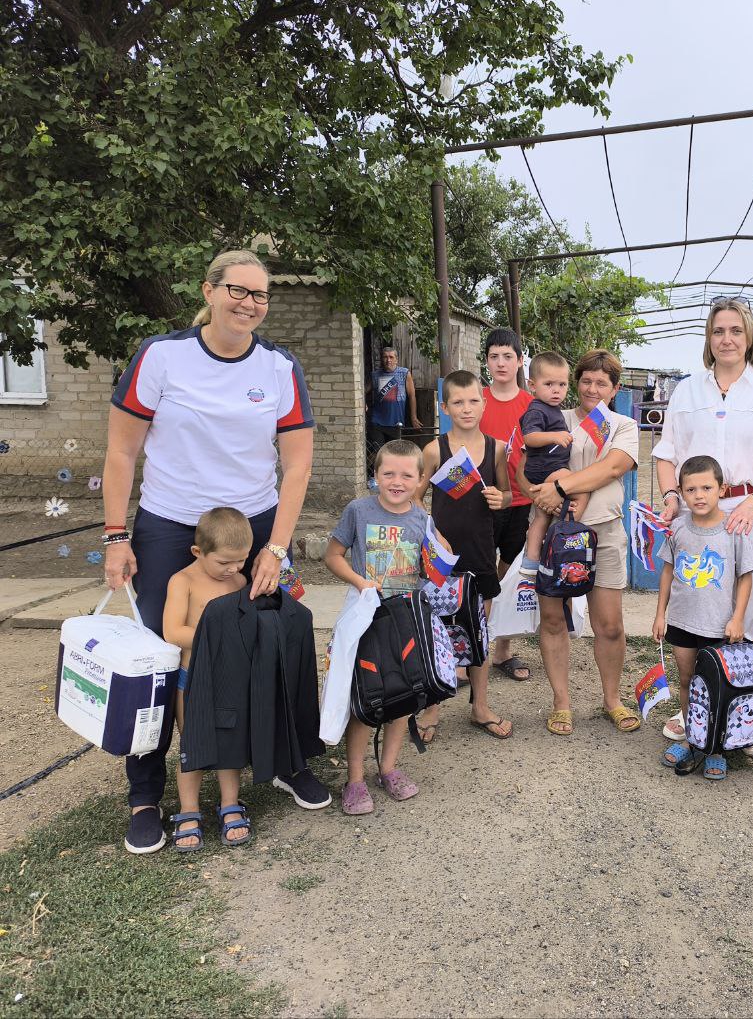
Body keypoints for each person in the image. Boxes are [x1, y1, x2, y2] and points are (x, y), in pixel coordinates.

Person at [102, 249, 327, 856]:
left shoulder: (280, 367)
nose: (248, 303)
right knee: (161, 656)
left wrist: (275, 547)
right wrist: (117, 534)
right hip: (169, 525)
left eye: (260, 295)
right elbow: (122, 452)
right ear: (209, 290)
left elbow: (298, 464)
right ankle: (146, 794)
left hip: (250, 526)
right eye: (237, 290)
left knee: (270, 645)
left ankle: (281, 761)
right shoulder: (161, 355)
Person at [652, 298, 753, 753]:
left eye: (736, 331)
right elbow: (666, 453)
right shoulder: (688, 391)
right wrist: (670, 497)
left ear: (749, 336)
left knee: (748, 612)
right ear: (708, 338)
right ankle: (693, 706)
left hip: (747, 511)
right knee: (693, 605)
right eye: (718, 331)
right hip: (696, 515)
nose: (727, 339)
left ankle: (749, 712)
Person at [524, 349, 641, 736]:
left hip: (603, 532)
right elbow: (524, 464)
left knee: (609, 624)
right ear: (576, 383)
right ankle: (561, 703)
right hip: (556, 533)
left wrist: (559, 486)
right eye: (586, 381)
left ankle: (612, 699)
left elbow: (611, 468)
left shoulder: (624, 425)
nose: (592, 388)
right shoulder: (555, 416)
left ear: (615, 388)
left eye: (602, 383)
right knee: (554, 619)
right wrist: (543, 492)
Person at [327, 439, 443, 813]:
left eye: (407, 475)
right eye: (388, 473)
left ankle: (389, 768)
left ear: (420, 479)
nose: (396, 481)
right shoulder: (358, 510)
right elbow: (333, 555)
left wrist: (439, 556)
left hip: (406, 619)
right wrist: (360, 582)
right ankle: (356, 779)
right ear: (374, 475)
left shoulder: (422, 519)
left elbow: (434, 568)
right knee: (367, 697)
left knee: (403, 694)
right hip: (366, 618)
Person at [418, 370, 514, 739]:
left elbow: (506, 494)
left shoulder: (497, 449)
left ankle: (480, 705)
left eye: (473, 400)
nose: (466, 408)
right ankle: (431, 707)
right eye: (457, 402)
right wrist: (431, 533)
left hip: (480, 555)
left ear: (484, 403)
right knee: (438, 631)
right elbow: (414, 499)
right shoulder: (434, 450)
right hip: (441, 561)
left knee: (479, 632)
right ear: (444, 407)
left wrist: (499, 498)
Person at [652, 455, 753, 780]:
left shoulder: (733, 529)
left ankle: (716, 748)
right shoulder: (678, 528)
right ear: (680, 491)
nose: (699, 495)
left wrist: (738, 618)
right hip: (681, 622)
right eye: (691, 488)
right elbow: (668, 571)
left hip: (716, 626)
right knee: (686, 683)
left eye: (707, 487)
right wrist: (660, 615)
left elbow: (746, 576)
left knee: (715, 690)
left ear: (722, 489)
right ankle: (694, 740)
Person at [161, 507, 254, 851]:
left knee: (229, 743)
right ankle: (189, 810)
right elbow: (172, 632)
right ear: (198, 552)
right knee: (193, 744)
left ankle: (230, 804)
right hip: (193, 679)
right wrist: (218, 635)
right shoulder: (182, 581)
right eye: (225, 562)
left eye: (240, 561)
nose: (233, 569)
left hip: (230, 678)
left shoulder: (239, 582)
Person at [479, 328, 534, 682]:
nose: (501, 363)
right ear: (486, 361)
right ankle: (473, 649)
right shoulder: (476, 399)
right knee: (480, 573)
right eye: (494, 356)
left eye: (507, 356)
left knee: (511, 573)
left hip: (522, 500)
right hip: (482, 500)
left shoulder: (532, 404)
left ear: (519, 361)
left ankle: (503, 651)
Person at [517, 351, 574, 575]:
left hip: (546, 467)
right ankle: (571, 525)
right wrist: (555, 436)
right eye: (549, 383)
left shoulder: (550, 408)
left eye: (562, 384)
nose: (556, 390)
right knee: (579, 485)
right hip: (546, 467)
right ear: (532, 385)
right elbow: (529, 438)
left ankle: (530, 562)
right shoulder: (537, 409)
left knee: (541, 516)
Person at [366, 346, 422, 465]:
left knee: (394, 453)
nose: (388, 360)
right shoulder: (375, 375)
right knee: (377, 451)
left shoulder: (404, 373)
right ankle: (372, 476)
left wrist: (413, 417)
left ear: (396, 359)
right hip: (377, 421)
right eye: (385, 357)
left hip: (396, 422)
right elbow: (363, 391)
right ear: (381, 359)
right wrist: (363, 403)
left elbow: (412, 395)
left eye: (391, 357)